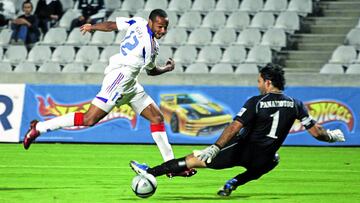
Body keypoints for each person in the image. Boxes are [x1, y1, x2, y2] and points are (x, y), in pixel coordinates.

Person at [23, 9, 196, 178]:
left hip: (130, 83)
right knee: (89, 119)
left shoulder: (137, 22)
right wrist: (167, 68)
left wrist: (92, 27)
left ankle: (171, 166)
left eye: (165, 27)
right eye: (159, 27)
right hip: (119, 80)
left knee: (157, 118)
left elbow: (112, 25)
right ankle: (39, 128)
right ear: (151, 22)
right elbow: (152, 72)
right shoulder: (150, 47)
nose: (163, 31)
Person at [130, 63, 346, 196]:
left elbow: (234, 126)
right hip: (262, 159)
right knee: (274, 159)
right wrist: (333, 137)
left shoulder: (256, 102)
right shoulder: (296, 104)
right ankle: (234, 183)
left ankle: (149, 172)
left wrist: (215, 147)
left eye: (260, 81)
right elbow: (317, 133)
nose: (258, 84)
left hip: (239, 151)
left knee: (193, 159)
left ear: (268, 83)